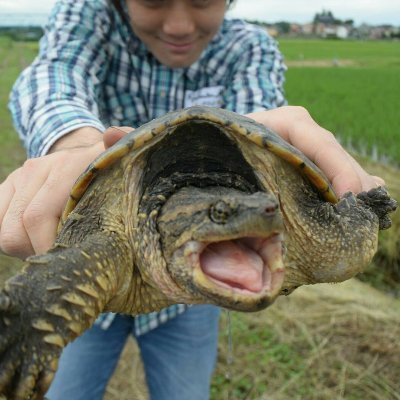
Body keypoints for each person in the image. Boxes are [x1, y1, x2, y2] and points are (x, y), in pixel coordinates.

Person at [1, 0, 383, 399]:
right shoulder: (90, 16)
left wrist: (362, 205)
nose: (180, 25)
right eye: (153, 1)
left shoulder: (249, 46)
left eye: (203, 0)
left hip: (197, 299)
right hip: (85, 288)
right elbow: (54, 73)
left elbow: (261, 111)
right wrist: (76, 144)